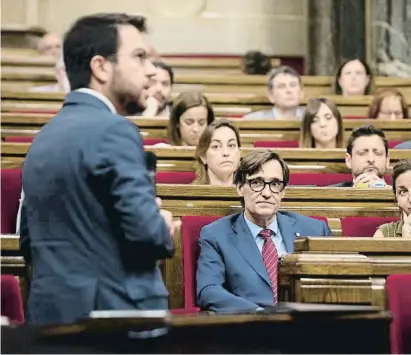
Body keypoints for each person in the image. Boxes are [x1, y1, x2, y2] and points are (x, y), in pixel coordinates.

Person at [21, 13, 176, 325]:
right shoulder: (114, 130)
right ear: (101, 67)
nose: (150, 71)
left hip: (51, 318)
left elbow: (29, 242)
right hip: (112, 321)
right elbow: (149, 236)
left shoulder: (43, 138)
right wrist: (162, 223)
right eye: (140, 56)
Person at [196, 150, 332, 313]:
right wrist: (258, 313)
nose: (267, 193)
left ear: (283, 192)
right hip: (252, 329)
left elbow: (333, 284)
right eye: (257, 183)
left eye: (275, 184)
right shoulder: (216, 235)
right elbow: (209, 290)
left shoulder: (315, 230)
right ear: (240, 187)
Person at [193, 120, 241, 185]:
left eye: (231, 145)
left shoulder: (253, 192)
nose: (225, 153)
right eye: (216, 146)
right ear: (203, 156)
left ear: (239, 153)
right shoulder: (190, 194)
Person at [373, 159, 411, 238]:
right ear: (396, 198)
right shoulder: (383, 234)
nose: (410, 199)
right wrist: (404, 243)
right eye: (403, 192)